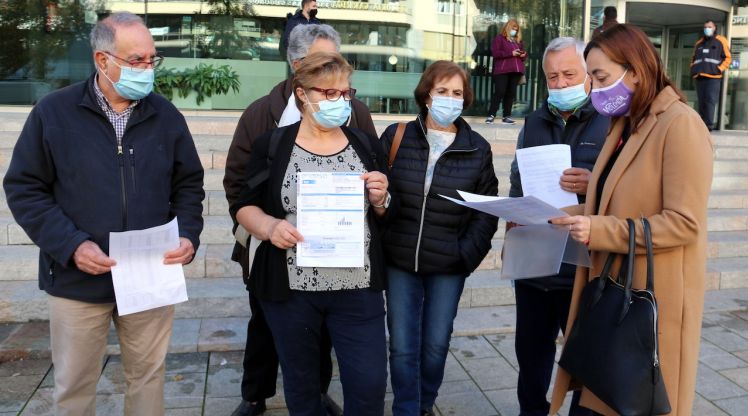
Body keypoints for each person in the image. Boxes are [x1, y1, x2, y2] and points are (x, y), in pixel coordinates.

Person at [3, 12, 204, 416]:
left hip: (149, 274)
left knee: (147, 380)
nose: (147, 69)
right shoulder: (53, 113)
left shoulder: (165, 116)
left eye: (152, 60)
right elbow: (25, 188)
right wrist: (71, 244)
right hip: (78, 278)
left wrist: (188, 234)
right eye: (136, 61)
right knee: (74, 388)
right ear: (102, 60)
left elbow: (188, 184)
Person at [549, 24, 713, 415]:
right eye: (591, 78)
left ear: (636, 70)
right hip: (611, 295)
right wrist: (552, 216)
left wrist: (597, 230)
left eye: (601, 77)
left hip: (646, 305)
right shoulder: (626, 125)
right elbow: (614, 203)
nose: (595, 88)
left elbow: (683, 222)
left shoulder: (681, 124)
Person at [223, 23, 375, 416]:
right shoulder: (266, 124)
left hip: (352, 278)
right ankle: (256, 393)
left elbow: (380, 193)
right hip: (286, 270)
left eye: (345, 90)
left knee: (363, 380)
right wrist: (267, 228)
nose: (339, 99)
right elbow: (241, 191)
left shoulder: (358, 125)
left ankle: (321, 394)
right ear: (300, 82)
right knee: (282, 352)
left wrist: (382, 195)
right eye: (328, 88)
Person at [381, 61, 499, 416]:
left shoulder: (477, 148)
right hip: (400, 260)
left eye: (457, 93)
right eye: (443, 91)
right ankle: (406, 408)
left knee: (434, 344)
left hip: (448, 264)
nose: (450, 99)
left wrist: (465, 255)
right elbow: (377, 192)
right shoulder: (396, 136)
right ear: (426, 94)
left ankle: (425, 401)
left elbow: (486, 210)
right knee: (402, 345)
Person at [507, 37, 608, 416]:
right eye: (553, 78)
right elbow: (518, 179)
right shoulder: (534, 121)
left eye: (569, 74)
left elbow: (625, 192)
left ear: (588, 76)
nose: (561, 84)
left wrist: (593, 182)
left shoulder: (610, 120)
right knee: (530, 361)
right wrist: (515, 209)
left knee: (584, 364)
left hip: (581, 268)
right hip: (534, 264)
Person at [691, 19, 731, 131]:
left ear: (714, 28)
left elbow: (728, 57)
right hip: (699, 76)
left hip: (713, 77)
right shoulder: (699, 43)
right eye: (705, 27)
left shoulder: (721, 40)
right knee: (701, 101)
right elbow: (693, 58)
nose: (707, 29)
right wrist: (693, 68)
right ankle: (701, 125)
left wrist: (719, 69)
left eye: (709, 27)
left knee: (710, 101)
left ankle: (708, 126)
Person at [486, 18, 527, 124]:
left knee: (510, 94)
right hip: (502, 71)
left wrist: (523, 55)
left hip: (516, 71)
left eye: (517, 29)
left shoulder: (518, 41)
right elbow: (496, 53)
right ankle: (491, 115)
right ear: (508, 27)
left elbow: (522, 57)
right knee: (500, 92)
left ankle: (506, 116)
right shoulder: (499, 39)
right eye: (513, 28)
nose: (515, 31)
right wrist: (511, 53)